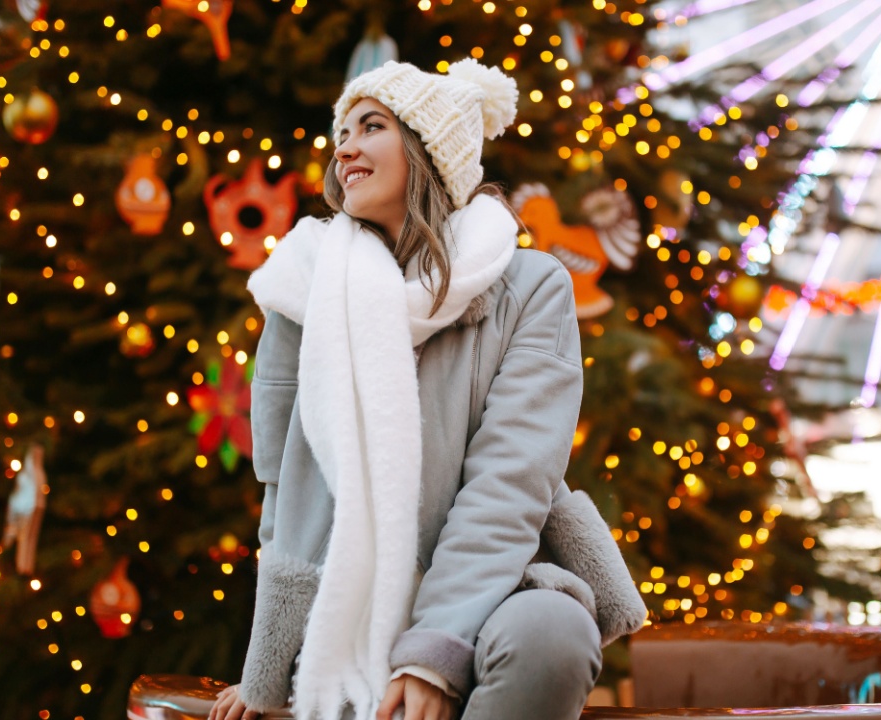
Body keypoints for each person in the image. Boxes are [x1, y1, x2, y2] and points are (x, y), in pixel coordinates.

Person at [208, 58, 645, 720]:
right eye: (342, 133)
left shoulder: (530, 287)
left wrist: (434, 652)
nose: (344, 148)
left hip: (491, 590)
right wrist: (268, 668)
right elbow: (284, 487)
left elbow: (510, 480)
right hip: (349, 603)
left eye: (371, 126)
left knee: (552, 634)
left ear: (429, 147)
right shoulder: (302, 288)